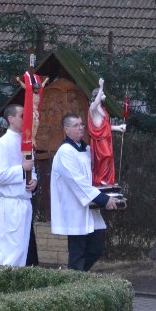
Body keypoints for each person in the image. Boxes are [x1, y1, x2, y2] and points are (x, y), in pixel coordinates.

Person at [51, 113, 119, 271]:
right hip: (75, 209)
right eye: (76, 125)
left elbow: (96, 174)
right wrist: (103, 199)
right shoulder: (65, 152)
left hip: (90, 208)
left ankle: (76, 276)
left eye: (81, 124)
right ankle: (74, 278)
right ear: (66, 130)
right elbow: (77, 181)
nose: (81, 127)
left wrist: (108, 187)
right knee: (78, 253)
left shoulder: (87, 150)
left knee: (96, 249)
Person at [0, 104, 37, 266]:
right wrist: (21, 169)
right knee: (7, 251)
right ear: (11, 119)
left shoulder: (26, 143)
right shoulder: (2, 144)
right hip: (10, 204)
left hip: (24, 202)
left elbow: (32, 170)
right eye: (22, 116)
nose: (25, 120)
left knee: (21, 249)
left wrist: (34, 181)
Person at [87, 79, 126, 188]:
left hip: (106, 137)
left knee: (109, 157)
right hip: (98, 139)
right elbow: (96, 102)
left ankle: (106, 180)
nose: (104, 95)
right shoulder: (93, 108)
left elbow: (106, 127)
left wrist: (118, 128)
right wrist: (101, 87)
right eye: (102, 94)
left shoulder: (103, 109)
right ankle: (100, 179)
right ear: (97, 95)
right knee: (105, 156)